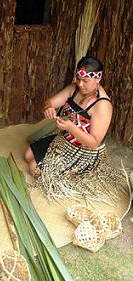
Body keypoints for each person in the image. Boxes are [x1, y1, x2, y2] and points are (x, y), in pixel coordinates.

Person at [24, 56, 128, 202]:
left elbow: (93, 143)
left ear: (98, 79)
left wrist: (71, 128)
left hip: (84, 152)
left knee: (34, 167)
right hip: (64, 141)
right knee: (28, 154)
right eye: (78, 78)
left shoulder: (102, 105)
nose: (80, 84)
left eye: (85, 81)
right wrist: (48, 108)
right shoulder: (74, 89)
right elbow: (50, 102)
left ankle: (77, 178)